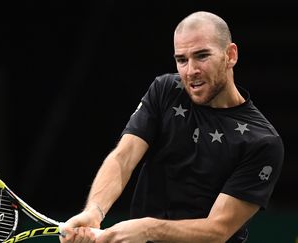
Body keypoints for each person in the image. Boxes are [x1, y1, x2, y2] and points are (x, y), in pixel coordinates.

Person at [59, 10, 284, 243]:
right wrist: (94, 210)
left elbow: (217, 231)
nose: (191, 71)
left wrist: (148, 229)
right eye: (182, 60)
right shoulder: (166, 91)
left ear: (231, 55)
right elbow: (123, 157)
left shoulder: (262, 142)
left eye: (202, 56)